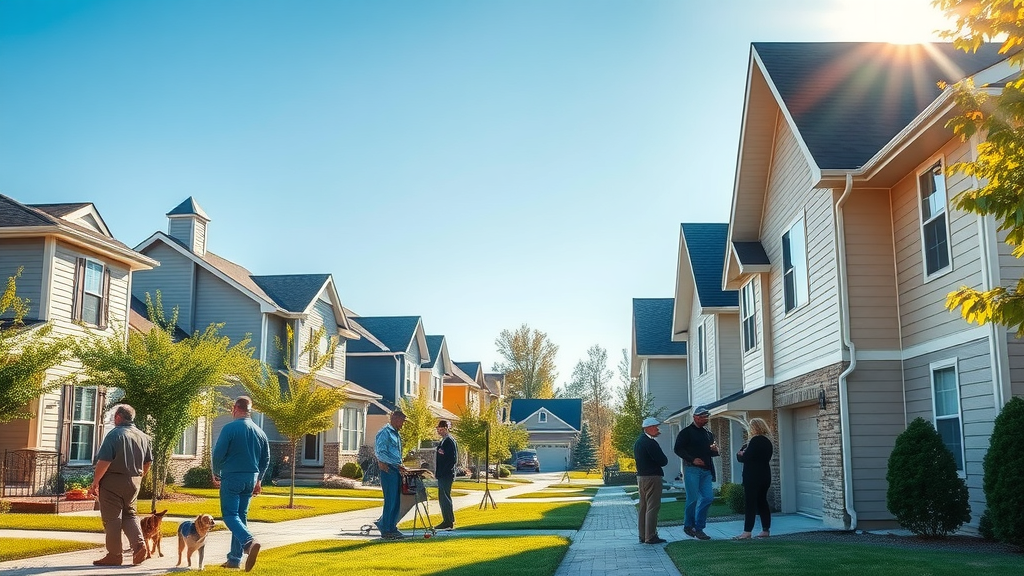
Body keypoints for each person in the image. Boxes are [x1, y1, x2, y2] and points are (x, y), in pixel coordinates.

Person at [89, 403, 153, 567]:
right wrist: (139, 477)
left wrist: (95, 482)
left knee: (112, 519)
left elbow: (104, 461)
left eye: (114, 416)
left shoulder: (114, 435)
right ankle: (139, 545)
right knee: (129, 514)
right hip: (134, 481)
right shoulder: (143, 436)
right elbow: (148, 462)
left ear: (119, 417)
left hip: (113, 481)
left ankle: (115, 555)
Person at [212, 396, 270, 572]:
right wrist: (259, 479)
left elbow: (218, 453)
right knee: (240, 517)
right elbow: (266, 459)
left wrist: (215, 473)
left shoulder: (230, 429)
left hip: (232, 477)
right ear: (250, 410)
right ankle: (234, 559)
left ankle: (249, 542)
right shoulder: (260, 432)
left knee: (229, 515)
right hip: (250, 479)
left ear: (235, 408)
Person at [674, 405, 718, 540]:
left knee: (708, 498)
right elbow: (678, 449)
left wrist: (715, 450)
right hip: (692, 470)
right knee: (692, 499)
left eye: (707, 417)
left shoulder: (708, 434)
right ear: (695, 417)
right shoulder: (686, 432)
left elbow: (711, 452)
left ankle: (699, 528)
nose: (706, 419)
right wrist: (692, 459)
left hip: (706, 471)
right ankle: (689, 526)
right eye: (704, 417)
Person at [734, 417, 774, 539]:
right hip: (765, 475)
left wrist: (741, 454)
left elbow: (744, 457)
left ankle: (747, 531)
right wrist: (742, 454)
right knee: (762, 502)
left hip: (753, 476)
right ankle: (765, 530)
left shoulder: (755, 441)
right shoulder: (768, 442)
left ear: (754, 428)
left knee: (750, 503)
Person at [634, 416, 669, 544]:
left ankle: (642, 535)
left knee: (643, 506)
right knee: (653, 507)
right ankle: (651, 535)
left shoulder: (638, 442)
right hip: (652, 477)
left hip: (641, 477)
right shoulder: (650, 443)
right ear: (648, 428)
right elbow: (663, 461)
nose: (657, 429)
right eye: (655, 427)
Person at [374, 410, 408, 539]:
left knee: (396, 501)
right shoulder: (385, 433)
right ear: (395, 419)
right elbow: (380, 452)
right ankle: (386, 528)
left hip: (396, 470)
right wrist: (396, 464)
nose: (403, 425)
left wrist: (400, 464)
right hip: (388, 470)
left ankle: (391, 527)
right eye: (402, 422)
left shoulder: (396, 434)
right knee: (390, 500)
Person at [433, 419, 457, 530]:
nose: (439, 431)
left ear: (447, 429)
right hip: (442, 474)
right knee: (443, 497)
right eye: (438, 429)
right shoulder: (443, 441)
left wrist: (443, 473)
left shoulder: (449, 442)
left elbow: (452, 460)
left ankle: (448, 522)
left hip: (446, 475)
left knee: (444, 498)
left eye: (442, 429)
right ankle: (448, 520)